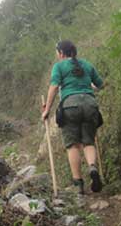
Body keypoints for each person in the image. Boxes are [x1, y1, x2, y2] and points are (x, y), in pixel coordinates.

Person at [41, 40, 104, 194]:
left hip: (70, 106)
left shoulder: (59, 66)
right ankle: (92, 167)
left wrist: (47, 110)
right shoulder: (87, 65)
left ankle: (78, 184)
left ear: (61, 53)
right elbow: (100, 84)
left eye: (57, 52)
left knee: (73, 145)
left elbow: (54, 86)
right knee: (88, 142)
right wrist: (89, 86)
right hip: (90, 105)